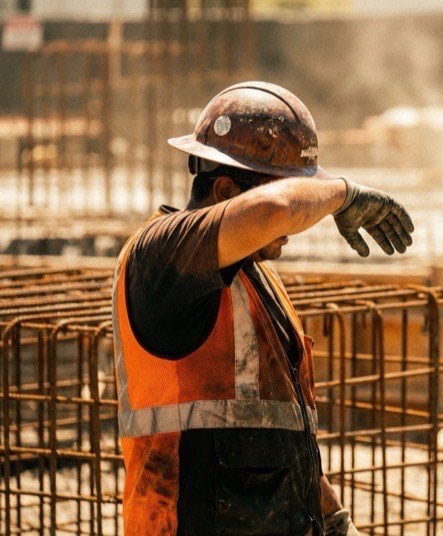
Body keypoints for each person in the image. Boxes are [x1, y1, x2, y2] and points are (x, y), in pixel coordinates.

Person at [111, 81, 414, 536]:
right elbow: (274, 208)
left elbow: (281, 428)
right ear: (226, 189)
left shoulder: (254, 276)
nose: (300, 223)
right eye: (297, 195)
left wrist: (333, 518)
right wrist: (341, 193)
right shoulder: (161, 254)